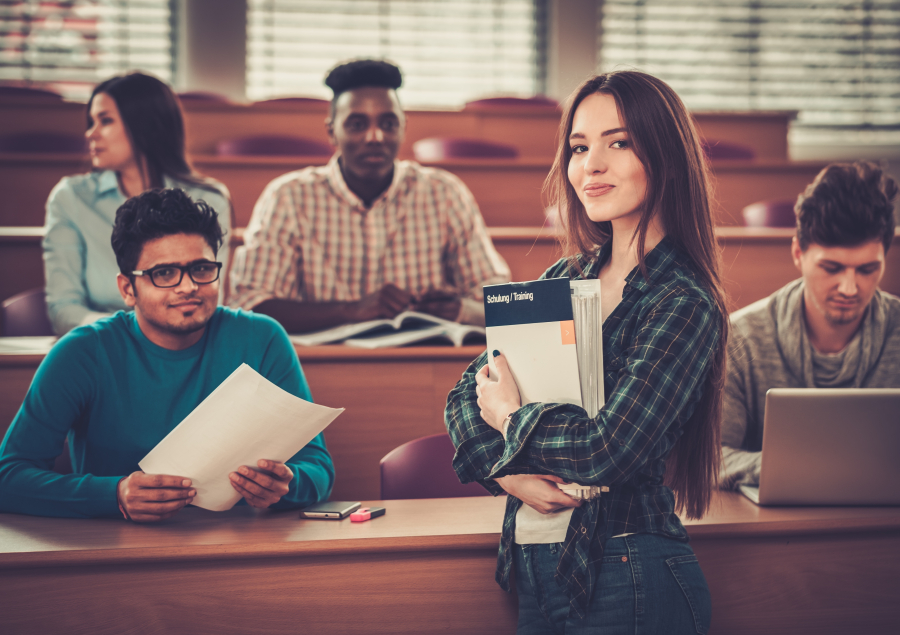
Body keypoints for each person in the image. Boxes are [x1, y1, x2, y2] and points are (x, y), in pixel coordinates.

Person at [445, 71, 728, 634]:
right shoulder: (564, 277)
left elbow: (609, 450)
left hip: (633, 570)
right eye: (579, 147)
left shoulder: (685, 302)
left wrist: (509, 419)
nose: (590, 165)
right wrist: (508, 477)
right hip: (537, 564)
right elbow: (462, 400)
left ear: (666, 156)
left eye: (618, 143)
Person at [0, 189, 332, 521]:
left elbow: (318, 469)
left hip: (240, 545)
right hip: (118, 549)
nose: (188, 287)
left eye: (201, 268)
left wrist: (287, 485)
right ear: (128, 289)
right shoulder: (82, 352)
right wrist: (113, 495)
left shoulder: (262, 337)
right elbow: (8, 475)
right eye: (165, 273)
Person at [228, 59, 510, 332]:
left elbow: (499, 297)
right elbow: (251, 303)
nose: (374, 137)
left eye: (388, 124)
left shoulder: (445, 193)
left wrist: (459, 308)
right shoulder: (288, 197)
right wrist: (352, 310)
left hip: (424, 365)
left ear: (403, 127)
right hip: (321, 369)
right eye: (357, 124)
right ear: (331, 131)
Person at [721, 162, 900, 490]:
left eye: (867, 269)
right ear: (797, 253)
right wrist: (805, 470)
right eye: (832, 268)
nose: (849, 288)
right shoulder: (740, 339)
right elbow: (711, 460)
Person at [43, 72, 233, 335]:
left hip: (184, 343)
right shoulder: (71, 198)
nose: (90, 134)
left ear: (144, 126)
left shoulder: (209, 199)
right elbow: (64, 309)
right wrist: (130, 336)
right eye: (91, 122)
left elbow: (209, 299)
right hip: (103, 347)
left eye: (105, 121)